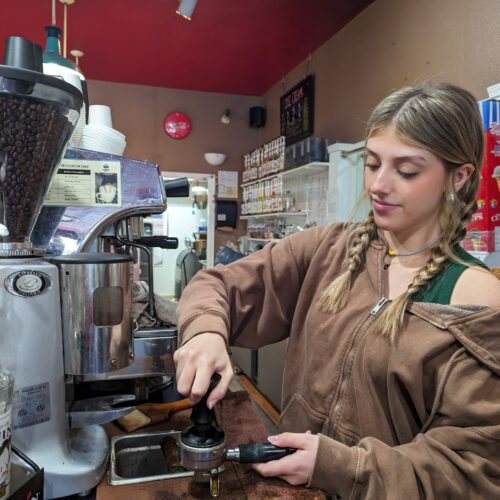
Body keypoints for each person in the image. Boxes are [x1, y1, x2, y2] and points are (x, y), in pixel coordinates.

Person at [174, 82, 500, 499]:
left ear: (458, 176)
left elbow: (471, 470)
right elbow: (215, 284)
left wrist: (341, 467)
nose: (379, 185)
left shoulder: (472, 295)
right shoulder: (328, 248)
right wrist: (205, 332)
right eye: (372, 163)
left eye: (406, 171)